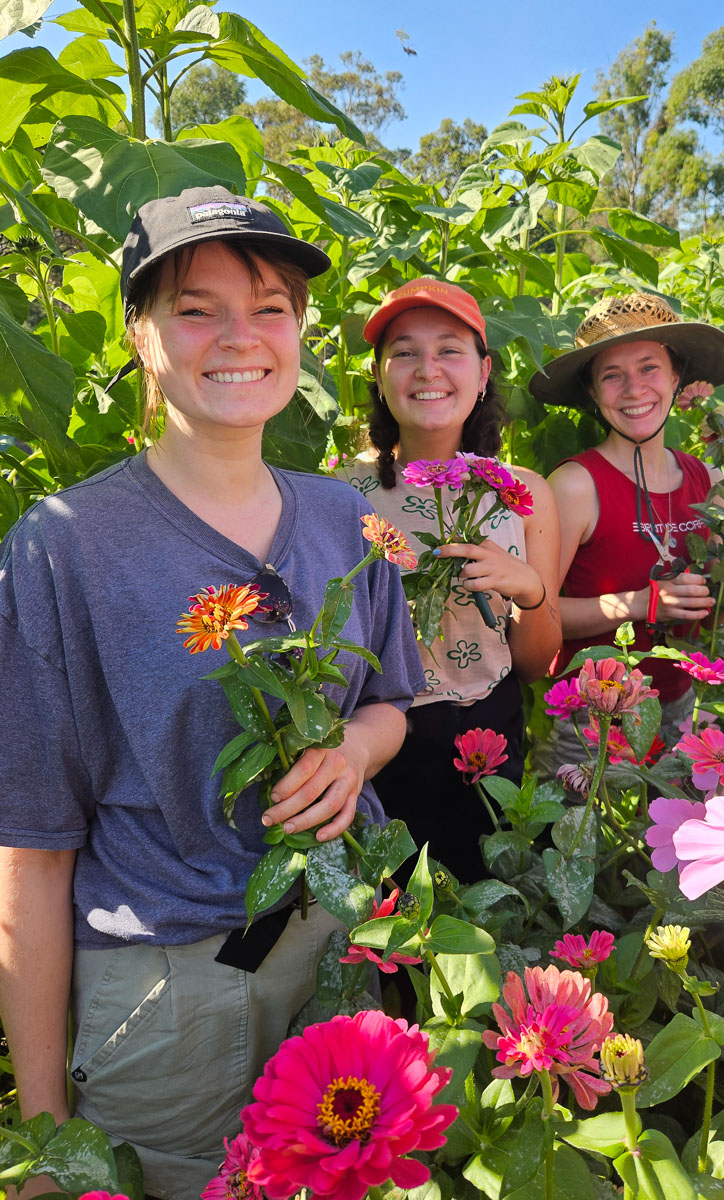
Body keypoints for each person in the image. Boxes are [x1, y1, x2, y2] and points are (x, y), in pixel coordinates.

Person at [0, 186, 424, 1200]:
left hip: (337, 953)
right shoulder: (63, 545)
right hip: (170, 995)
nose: (241, 334)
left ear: (302, 331)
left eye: (272, 304)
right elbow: (31, 848)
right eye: (196, 308)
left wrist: (356, 753)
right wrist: (50, 1132)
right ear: (143, 335)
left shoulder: (343, 516)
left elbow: (392, 702)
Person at [337, 279, 561, 880]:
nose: (426, 369)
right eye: (404, 352)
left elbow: (539, 663)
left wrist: (529, 591)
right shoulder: (338, 491)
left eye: (449, 350)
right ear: (380, 378)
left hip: (487, 730)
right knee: (384, 923)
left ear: (484, 372)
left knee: (482, 920)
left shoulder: (525, 493)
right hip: (377, 737)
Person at [529, 291, 724, 759]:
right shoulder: (576, 485)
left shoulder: (709, 480)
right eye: (611, 376)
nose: (633, 389)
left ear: (677, 376)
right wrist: (640, 604)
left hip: (684, 703)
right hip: (595, 721)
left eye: (649, 368)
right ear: (591, 392)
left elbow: (723, 604)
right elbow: (537, 620)